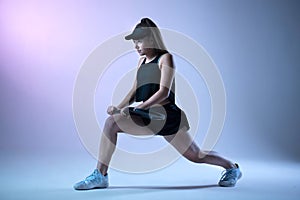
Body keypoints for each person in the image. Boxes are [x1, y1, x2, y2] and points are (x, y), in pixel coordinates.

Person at [73, 18, 242, 190]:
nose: (136, 46)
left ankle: (232, 167)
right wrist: (119, 107)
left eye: (139, 41)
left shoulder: (165, 58)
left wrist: (139, 107)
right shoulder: (141, 61)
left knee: (195, 155)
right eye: (134, 42)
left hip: (166, 116)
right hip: (147, 114)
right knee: (111, 123)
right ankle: (100, 175)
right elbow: (134, 90)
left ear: (152, 39)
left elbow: (164, 92)